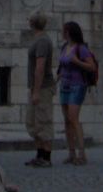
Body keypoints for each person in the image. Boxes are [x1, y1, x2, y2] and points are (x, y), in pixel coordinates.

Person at [58, 20, 95, 164]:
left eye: (64, 30)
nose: (62, 33)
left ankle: (82, 153)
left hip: (77, 85)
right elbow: (62, 65)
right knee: (67, 120)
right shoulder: (64, 47)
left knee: (74, 118)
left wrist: (77, 62)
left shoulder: (81, 49)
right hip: (64, 85)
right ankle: (71, 152)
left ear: (69, 32)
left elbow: (91, 67)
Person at [24, 11, 55, 167]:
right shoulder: (38, 39)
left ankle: (46, 157)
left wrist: (36, 91)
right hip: (35, 87)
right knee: (33, 122)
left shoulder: (42, 41)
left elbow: (40, 67)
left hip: (42, 88)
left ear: (32, 23)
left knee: (43, 120)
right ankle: (39, 154)